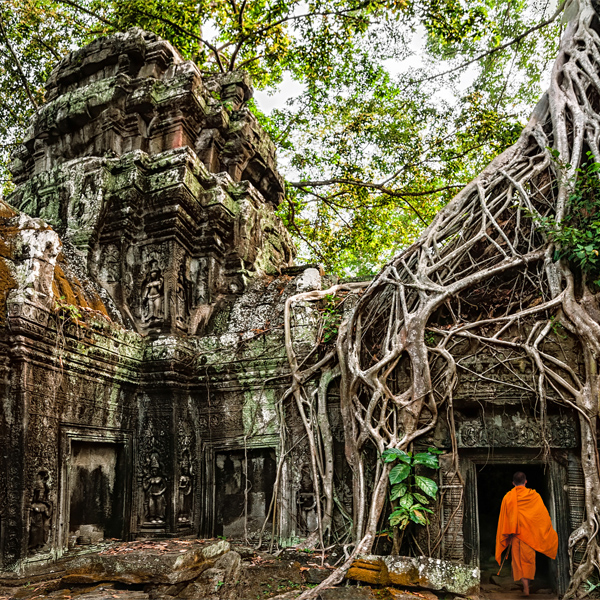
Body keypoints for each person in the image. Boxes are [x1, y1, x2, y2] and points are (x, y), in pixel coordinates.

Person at [495, 471, 558, 596]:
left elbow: (504, 518)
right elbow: (542, 517)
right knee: (528, 561)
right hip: (530, 536)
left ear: (513, 483)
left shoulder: (508, 497)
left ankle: (525, 587)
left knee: (518, 562)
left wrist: (507, 533)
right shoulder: (534, 496)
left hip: (515, 536)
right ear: (526, 481)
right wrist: (543, 530)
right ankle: (527, 587)